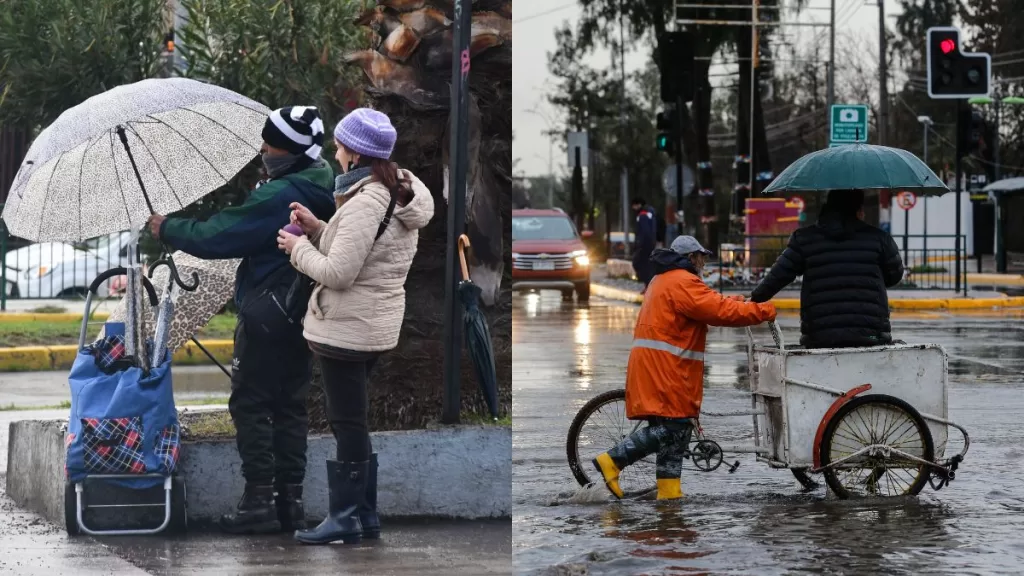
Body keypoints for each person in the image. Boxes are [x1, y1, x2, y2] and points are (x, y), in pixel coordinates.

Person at [147, 106, 337, 534]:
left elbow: (220, 235)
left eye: (271, 144)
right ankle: (291, 502)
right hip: (304, 314)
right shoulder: (322, 179)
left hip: (267, 312)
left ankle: (259, 504)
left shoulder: (279, 197)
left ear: (289, 149)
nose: (264, 150)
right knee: (290, 406)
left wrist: (168, 228)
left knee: (251, 404)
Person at [277, 108, 434, 545]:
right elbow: (364, 252)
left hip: (347, 328)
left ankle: (345, 516)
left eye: (341, 144)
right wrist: (319, 227)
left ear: (356, 153)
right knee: (354, 421)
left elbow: (340, 273)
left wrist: (297, 247)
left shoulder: (367, 201)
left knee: (348, 424)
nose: (335, 150)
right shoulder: (392, 192)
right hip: (370, 324)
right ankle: (364, 516)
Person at [592, 236, 776, 500]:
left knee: (676, 433)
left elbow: (712, 301)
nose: (703, 262)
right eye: (701, 257)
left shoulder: (664, 279)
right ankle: (613, 460)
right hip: (666, 368)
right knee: (675, 428)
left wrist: (743, 300)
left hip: (658, 365)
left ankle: (669, 492)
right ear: (691, 258)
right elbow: (719, 311)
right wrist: (764, 311)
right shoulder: (683, 281)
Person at [750, 189, 904, 349]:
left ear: (827, 207)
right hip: (871, 335)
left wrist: (754, 299)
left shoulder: (804, 239)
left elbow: (779, 275)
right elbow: (894, 276)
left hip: (820, 336)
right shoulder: (880, 239)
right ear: (859, 210)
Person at [631, 197, 658, 289]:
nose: (633, 208)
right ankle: (648, 286)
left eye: (634, 206)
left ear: (638, 205)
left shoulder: (642, 215)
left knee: (638, 263)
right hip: (650, 244)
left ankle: (648, 285)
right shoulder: (650, 213)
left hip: (644, 245)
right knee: (647, 265)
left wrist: (639, 245)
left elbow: (644, 232)